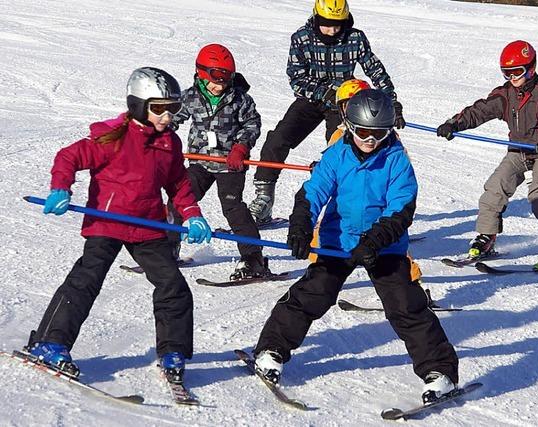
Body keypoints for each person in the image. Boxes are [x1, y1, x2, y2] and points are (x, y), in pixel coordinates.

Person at [252, 89, 459, 404]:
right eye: (363, 132)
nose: (371, 140)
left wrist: (375, 240)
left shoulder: (396, 160)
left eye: (379, 133)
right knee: (313, 294)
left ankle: (439, 372)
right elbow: (314, 190)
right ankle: (271, 350)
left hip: (384, 246)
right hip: (340, 241)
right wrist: (301, 226)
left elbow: (401, 208)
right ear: (349, 125)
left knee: (406, 305)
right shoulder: (337, 154)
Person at [26, 67, 212, 384]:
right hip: (108, 221)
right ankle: (51, 342)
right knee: (86, 279)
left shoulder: (169, 143)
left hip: (147, 225)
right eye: (159, 109)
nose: (167, 117)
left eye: (172, 109)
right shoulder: (112, 137)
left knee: (173, 286)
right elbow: (68, 157)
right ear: (138, 104)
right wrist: (61, 187)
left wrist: (193, 213)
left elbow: (178, 183)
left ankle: (172, 350)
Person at [248, 0, 406, 225]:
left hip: (345, 103)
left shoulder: (355, 38)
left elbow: (376, 70)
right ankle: (264, 198)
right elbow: (296, 78)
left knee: (340, 150)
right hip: (312, 99)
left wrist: (391, 102)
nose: (332, 30)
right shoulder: (301, 38)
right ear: (316, 18)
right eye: (327, 23)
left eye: (338, 24)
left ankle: (343, 208)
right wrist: (324, 92)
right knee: (278, 139)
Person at [436, 40, 538, 271]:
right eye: (507, 73)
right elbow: (479, 111)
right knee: (495, 187)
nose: (512, 77)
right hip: (518, 151)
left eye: (517, 71)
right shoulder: (505, 95)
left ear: (531, 68)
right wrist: (454, 124)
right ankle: (487, 238)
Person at [308, 79, 433, 305]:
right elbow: (333, 161)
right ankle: (317, 278)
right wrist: (321, 165)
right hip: (347, 209)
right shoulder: (340, 135)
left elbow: (396, 163)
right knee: (325, 237)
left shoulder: (385, 136)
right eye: (346, 105)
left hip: (380, 210)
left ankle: (414, 287)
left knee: (394, 248)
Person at [168, 44, 271, 280]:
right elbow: (172, 119)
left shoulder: (240, 99)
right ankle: (167, 250)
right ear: (201, 75)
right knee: (178, 202)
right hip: (199, 162)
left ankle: (253, 259)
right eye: (215, 81)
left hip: (230, 165)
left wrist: (241, 147)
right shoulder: (190, 97)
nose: (219, 86)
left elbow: (252, 124)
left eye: (225, 81)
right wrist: (161, 140)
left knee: (234, 209)